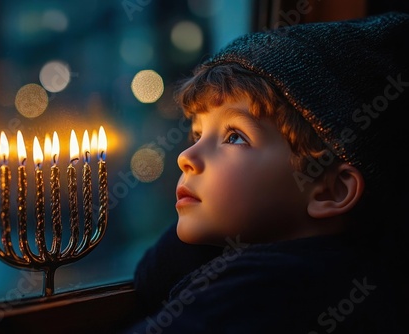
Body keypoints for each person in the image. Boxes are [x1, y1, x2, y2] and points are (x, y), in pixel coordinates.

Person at [122, 11, 409, 333]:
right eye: (197, 135)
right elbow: (152, 284)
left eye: (234, 137)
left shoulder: (271, 290)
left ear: (331, 191)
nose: (186, 157)